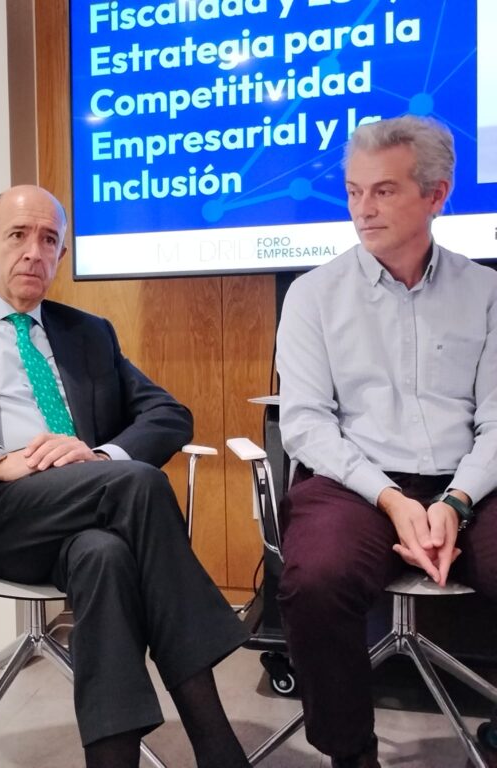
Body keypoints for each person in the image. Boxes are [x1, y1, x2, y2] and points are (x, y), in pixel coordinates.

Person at [0, 184, 250, 768]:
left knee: (105, 556)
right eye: (18, 236)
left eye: (49, 240)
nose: (34, 252)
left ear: (62, 255)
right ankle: (216, 743)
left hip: (82, 510)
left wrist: (102, 456)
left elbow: (169, 413)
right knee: (140, 483)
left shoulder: (87, 333)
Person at [276, 115, 497, 768]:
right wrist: (393, 499)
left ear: (436, 195)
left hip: (470, 479)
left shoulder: (487, 293)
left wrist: (456, 500)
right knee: (316, 579)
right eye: (353, 191)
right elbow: (306, 423)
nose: (362, 209)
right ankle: (351, 755)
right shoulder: (313, 295)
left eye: (384, 190)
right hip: (356, 483)